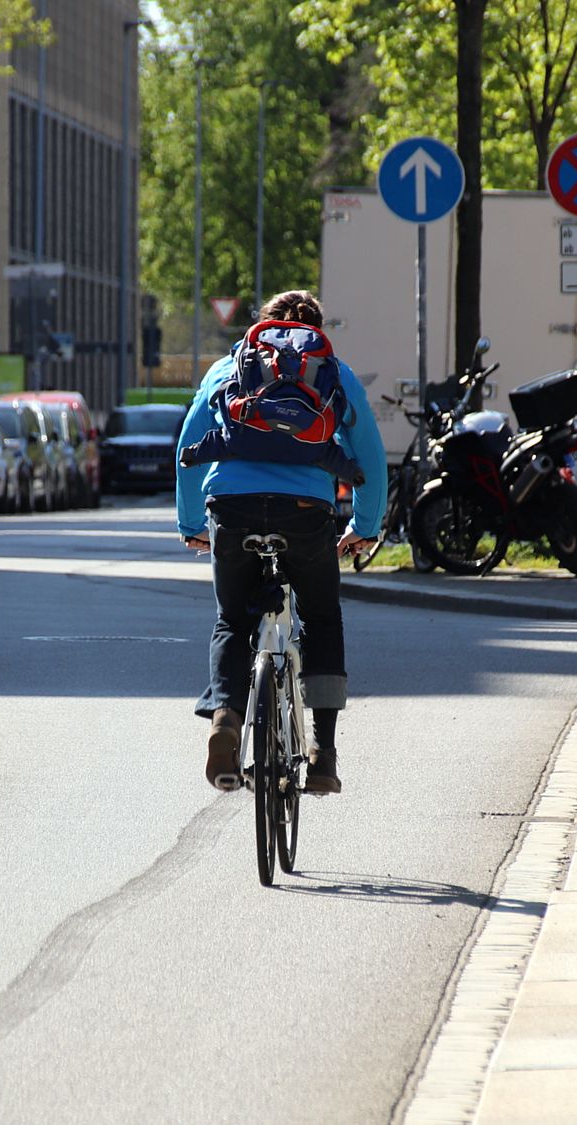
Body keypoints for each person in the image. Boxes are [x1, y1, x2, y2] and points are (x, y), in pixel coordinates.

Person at [176, 290, 387, 795]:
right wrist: (366, 523)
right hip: (306, 513)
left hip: (233, 507)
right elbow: (371, 455)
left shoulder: (230, 366)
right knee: (320, 617)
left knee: (232, 618)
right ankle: (324, 755)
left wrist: (191, 523)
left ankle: (225, 717)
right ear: (316, 332)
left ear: (262, 327)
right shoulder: (335, 371)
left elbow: (189, 441)